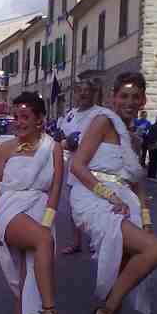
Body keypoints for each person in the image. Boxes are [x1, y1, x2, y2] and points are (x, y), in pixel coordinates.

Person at [70, 72, 157, 314]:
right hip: (95, 198)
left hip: (126, 202)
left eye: (135, 96)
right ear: (112, 98)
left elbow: (138, 183)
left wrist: (147, 219)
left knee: (120, 277)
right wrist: (109, 195)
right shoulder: (102, 122)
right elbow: (77, 166)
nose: (128, 101)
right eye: (123, 96)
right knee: (154, 250)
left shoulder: (134, 136)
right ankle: (105, 311)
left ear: (143, 101)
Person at [0, 91, 66, 314]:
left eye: (25, 117)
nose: (19, 122)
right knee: (43, 242)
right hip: (10, 209)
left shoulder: (52, 147)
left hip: (40, 211)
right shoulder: (6, 148)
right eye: (16, 117)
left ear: (40, 119)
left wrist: (47, 221)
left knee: (28, 279)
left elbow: (55, 188)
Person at [59, 79, 102, 255]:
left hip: (95, 168)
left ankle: (97, 243)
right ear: (75, 94)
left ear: (93, 93)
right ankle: (76, 242)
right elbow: (61, 137)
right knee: (74, 207)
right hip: (74, 168)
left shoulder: (101, 114)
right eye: (79, 91)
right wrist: (65, 142)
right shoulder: (70, 114)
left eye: (87, 90)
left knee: (96, 207)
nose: (83, 94)